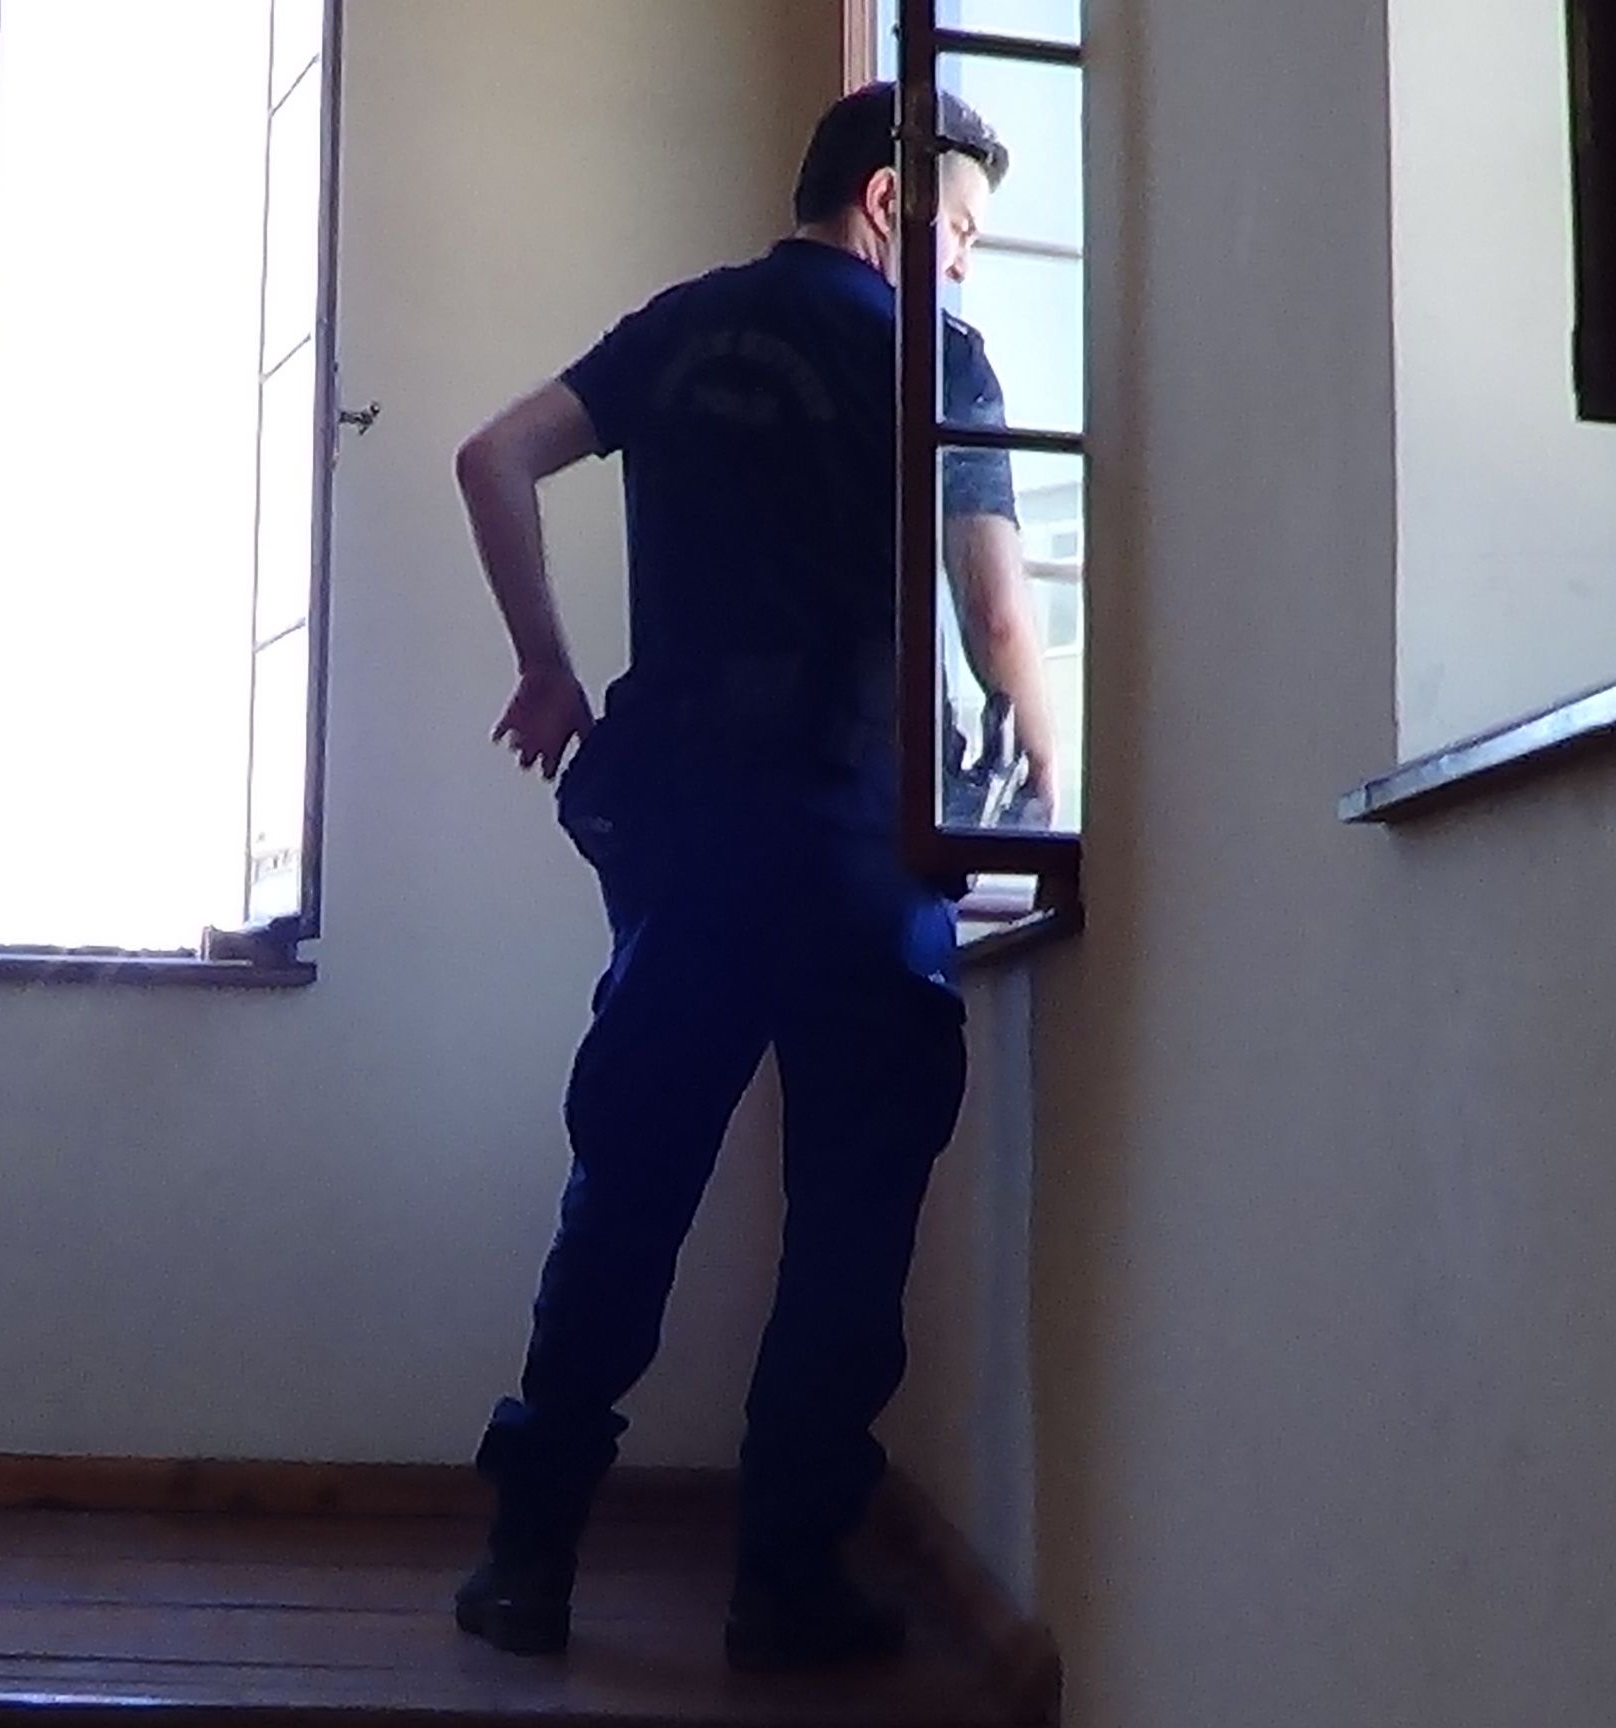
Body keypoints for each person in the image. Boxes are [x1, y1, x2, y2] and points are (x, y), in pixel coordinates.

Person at [448, 84, 1053, 1669]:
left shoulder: (678, 330)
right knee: (848, 1226)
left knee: (627, 1191)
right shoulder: (935, 355)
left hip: (692, 850)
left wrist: (547, 666)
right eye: (961, 232)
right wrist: (1050, 799)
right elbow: (998, 619)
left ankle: (528, 1562)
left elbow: (491, 456)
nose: (965, 266)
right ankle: (786, 1588)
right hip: (863, 847)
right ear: (886, 201)